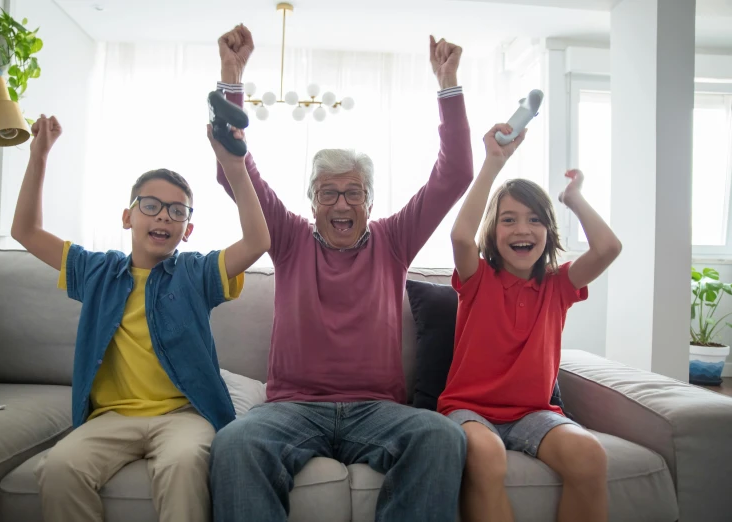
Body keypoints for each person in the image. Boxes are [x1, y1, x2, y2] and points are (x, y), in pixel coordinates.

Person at [207, 25, 475, 522]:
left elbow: (455, 173)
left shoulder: (395, 240)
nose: (341, 203)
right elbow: (233, 170)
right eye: (327, 193)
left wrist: (448, 84)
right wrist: (231, 75)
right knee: (235, 443)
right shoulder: (286, 238)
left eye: (353, 192)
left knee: (442, 436)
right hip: (292, 409)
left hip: (377, 410)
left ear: (370, 202)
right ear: (311, 203)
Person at [11, 114, 270, 522]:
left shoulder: (196, 273)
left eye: (177, 211)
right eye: (150, 206)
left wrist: (234, 167)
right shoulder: (95, 270)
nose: (164, 216)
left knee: (184, 465)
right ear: (127, 216)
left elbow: (258, 241)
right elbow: (25, 230)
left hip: (184, 415)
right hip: (111, 418)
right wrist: (39, 155)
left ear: (187, 229)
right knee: (60, 469)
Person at [439, 122, 621, 522]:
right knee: (486, 456)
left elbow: (608, 248)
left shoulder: (559, 285)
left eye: (535, 219)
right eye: (508, 220)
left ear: (548, 232)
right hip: (468, 410)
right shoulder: (478, 277)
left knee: (589, 454)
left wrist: (574, 199)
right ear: (493, 230)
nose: (522, 229)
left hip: (534, 413)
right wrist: (493, 163)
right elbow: (460, 238)